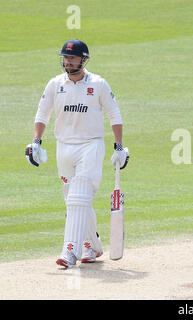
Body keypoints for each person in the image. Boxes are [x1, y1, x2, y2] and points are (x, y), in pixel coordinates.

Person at [25, 39, 130, 268]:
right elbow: (42, 114)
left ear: (83, 60)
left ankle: (69, 251)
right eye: (66, 57)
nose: (68, 61)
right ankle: (91, 245)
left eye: (72, 58)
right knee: (74, 199)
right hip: (64, 146)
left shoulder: (99, 84)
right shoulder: (55, 84)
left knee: (79, 195)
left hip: (91, 145)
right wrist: (36, 142)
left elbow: (115, 115)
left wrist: (119, 147)